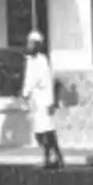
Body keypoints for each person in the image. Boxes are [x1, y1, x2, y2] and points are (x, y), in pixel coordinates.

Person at [22, 30, 64, 169]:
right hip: (35, 100)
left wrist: (50, 102)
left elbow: (42, 81)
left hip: (44, 99)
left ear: (38, 45)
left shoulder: (42, 61)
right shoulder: (30, 60)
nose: (29, 46)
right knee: (40, 132)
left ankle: (50, 158)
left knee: (47, 131)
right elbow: (29, 80)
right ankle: (55, 157)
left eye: (32, 43)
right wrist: (26, 94)